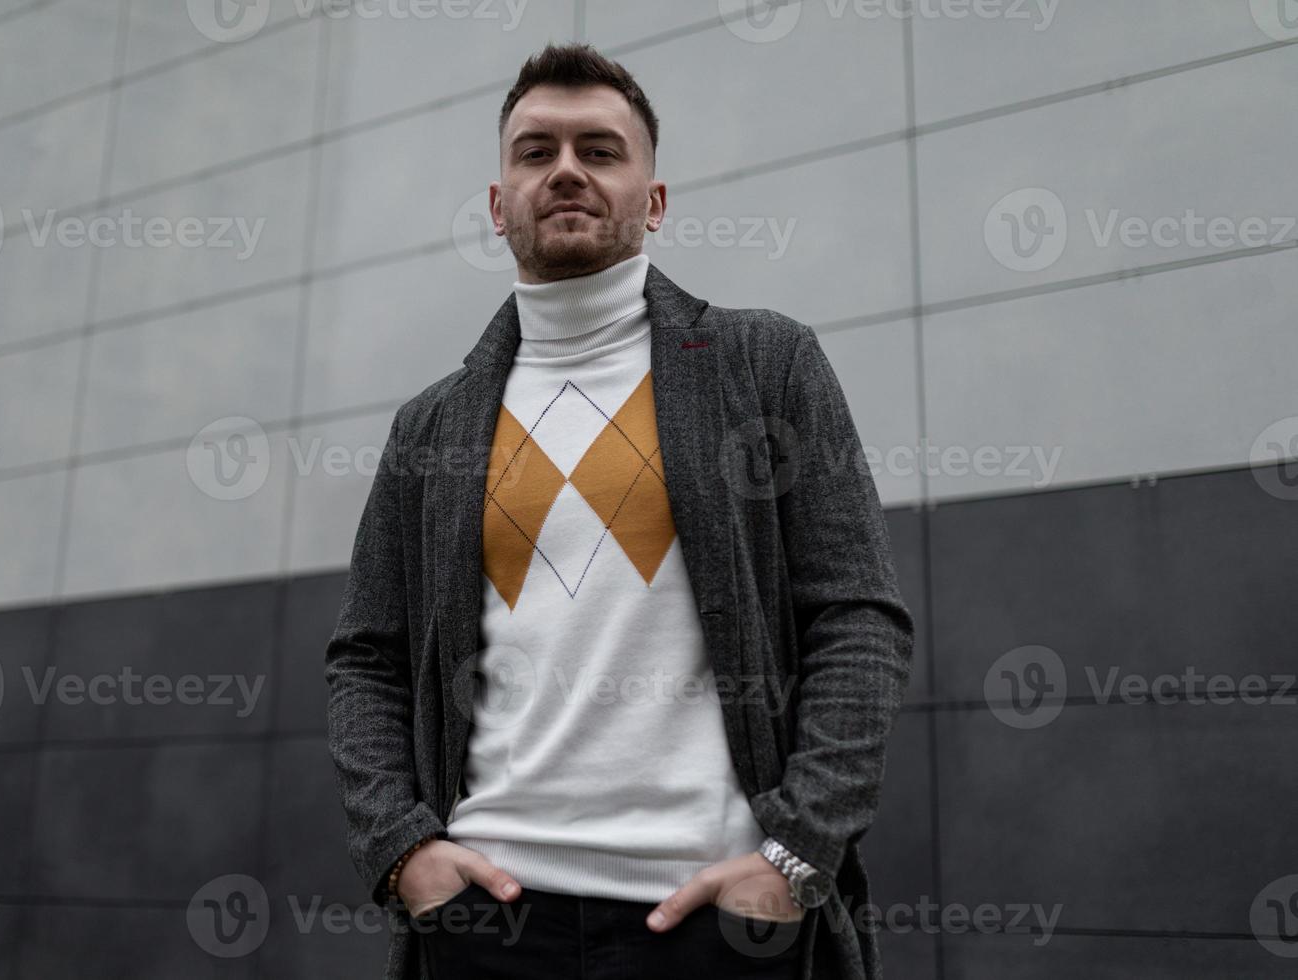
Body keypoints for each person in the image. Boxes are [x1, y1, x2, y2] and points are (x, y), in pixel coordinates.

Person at [326, 42, 915, 980]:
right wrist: (402, 852)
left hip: (713, 921)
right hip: (490, 922)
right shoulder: (430, 426)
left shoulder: (765, 366)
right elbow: (368, 657)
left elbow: (858, 618)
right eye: (535, 151)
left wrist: (797, 855)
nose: (566, 169)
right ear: (495, 203)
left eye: (600, 150)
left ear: (655, 198)